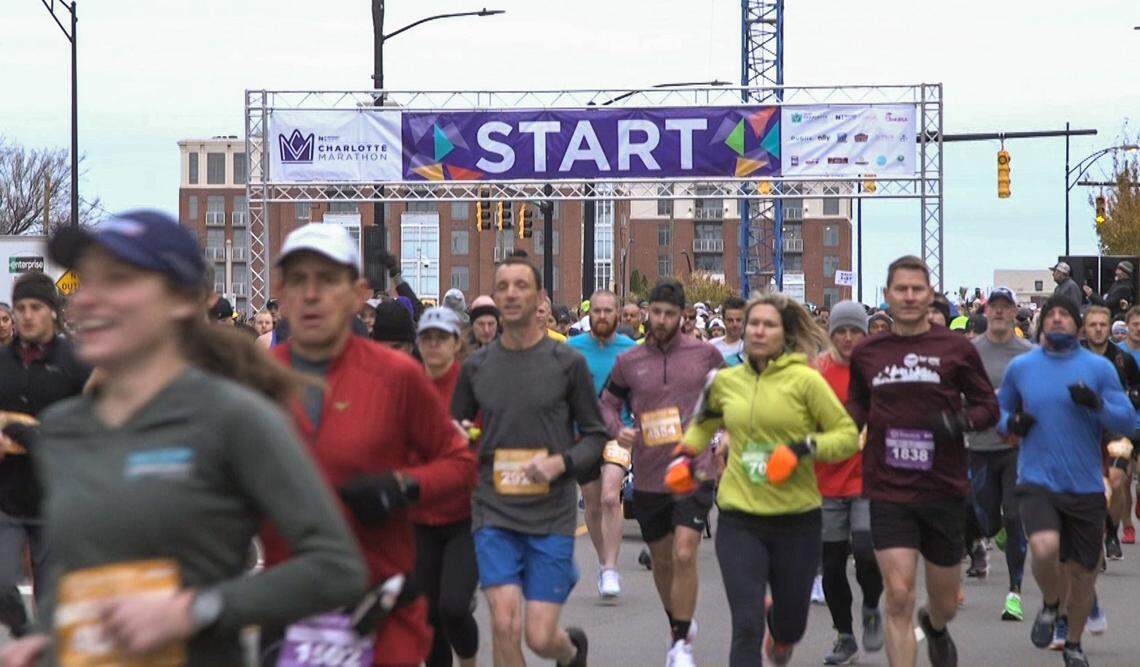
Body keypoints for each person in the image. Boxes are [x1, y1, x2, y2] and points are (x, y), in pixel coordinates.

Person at [0, 210, 367, 666]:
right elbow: (74, 578)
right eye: (84, 281)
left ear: (181, 299)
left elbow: (337, 568)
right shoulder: (65, 429)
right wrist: (47, 642)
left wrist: (195, 610)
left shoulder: (233, 418)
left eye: (116, 280)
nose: (87, 300)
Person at [262, 222, 477, 666]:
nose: (311, 294)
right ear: (282, 292)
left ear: (359, 294)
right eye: (299, 280)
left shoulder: (397, 377)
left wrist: (401, 486)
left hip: (377, 612)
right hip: (289, 610)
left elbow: (459, 463)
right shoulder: (259, 380)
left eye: (327, 281)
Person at [677, 292, 858, 666]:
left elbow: (845, 437)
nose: (758, 331)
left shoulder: (807, 381)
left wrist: (800, 449)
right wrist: (683, 457)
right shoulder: (724, 382)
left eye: (768, 325)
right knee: (745, 625)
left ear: (785, 333)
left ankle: (781, 626)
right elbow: (701, 426)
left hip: (797, 520)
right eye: (752, 323)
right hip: (739, 517)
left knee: (790, 628)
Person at [451, 254, 604, 667]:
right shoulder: (477, 366)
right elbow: (453, 427)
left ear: (539, 298)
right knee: (503, 623)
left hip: (550, 514)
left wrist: (561, 464)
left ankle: (570, 652)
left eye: (521, 286)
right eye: (503, 287)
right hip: (493, 509)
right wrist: (458, 436)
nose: (511, 293)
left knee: (538, 636)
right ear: (494, 299)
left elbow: (595, 437)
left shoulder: (567, 363)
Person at [847, 255, 1000, 667]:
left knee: (945, 600)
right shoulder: (868, 352)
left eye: (918, 289)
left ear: (930, 294)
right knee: (897, 595)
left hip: (943, 488)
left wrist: (961, 422)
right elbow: (856, 408)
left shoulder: (954, 349)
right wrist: (839, 433)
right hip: (887, 488)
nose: (910, 296)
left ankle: (934, 625)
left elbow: (989, 406)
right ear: (887, 295)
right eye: (901, 289)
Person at [998, 296, 1135, 667]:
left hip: (1086, 484)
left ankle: (1073, 642)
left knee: (1083, 573)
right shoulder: (1022, 367)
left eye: (1065, 315)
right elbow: (1001, 409)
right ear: (1042, 324)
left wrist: (1097, 405)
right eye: (1051, 315)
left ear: (1076, 325)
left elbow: (1127, 420)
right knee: (1044, 548)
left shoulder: (1098, 369)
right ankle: (1049, 604)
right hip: (1037, 478)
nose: (1057, 319)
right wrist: (1010, 424)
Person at [598, 280, 723, 667]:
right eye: (657, 312)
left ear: (683, 315)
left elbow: (728, 398)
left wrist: (724, 433)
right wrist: (617, 429)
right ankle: (678, 622)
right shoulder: (629, 361)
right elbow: (607, 402)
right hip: (650, 475)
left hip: (694, 469)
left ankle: (681, 644)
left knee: (686, 551)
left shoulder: (706, 356)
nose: (662, 320)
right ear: (647, 312)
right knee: (663, 560)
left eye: (670, 314)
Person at [0, 273, 92, 637]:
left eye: (36, 307)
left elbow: (94, 419)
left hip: (58, 497)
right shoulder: (2, 362)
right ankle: (27, 637)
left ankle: (46, 649)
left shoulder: (75, 362)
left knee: (54, 598)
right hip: (7, 496)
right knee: (2, 583)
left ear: (53, 312)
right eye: (20, 308)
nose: (26, 316)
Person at [813, 300, 885, 665]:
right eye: (840, 331)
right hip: (825, 480)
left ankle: (871, 606)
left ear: (865, 333)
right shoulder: (817, 372)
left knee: (868, 548)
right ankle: (844, 635)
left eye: (854, 331)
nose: (847, 338)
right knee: (832, 562)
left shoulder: (877, 372)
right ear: (831, 334)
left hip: (868, 480)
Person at [413, 307, 480, 667]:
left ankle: (468, 661)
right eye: (428, 338)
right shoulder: (408, 385)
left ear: (457, 343)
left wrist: (469, 440)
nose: (434, 345)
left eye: (442, 338)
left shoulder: (472, 385)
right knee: (427, 615)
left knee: (453, 606)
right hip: (418, 516)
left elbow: (489, 439)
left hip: (464, 516)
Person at [967, 286, 1033, 622]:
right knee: (987, 518)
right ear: (986, 310)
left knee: (1014, 515)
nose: (999, 312)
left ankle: (1015, 592)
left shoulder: (1027, 352)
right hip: (978, 445)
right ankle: (1001, 535)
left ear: (1013, 312)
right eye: (994, 306)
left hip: (1014, 447)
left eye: (1006, 307)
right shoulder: (971, 351)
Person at [567, 290, 637, 601]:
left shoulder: (630, 350)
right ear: (589, 315)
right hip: (583, 435)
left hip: (618, 433)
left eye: (609, 311)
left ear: (618, 315)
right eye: (597, 311)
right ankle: (602, 560)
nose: (603, 316)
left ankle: (611, 568)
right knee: (592, 504)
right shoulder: (573, 349)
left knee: (611, 496)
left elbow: (641, 393)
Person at [1080, 306, 1140, 565]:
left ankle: (1112, 531)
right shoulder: (1076, 356)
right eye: (1093, 324)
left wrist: (1133, 397)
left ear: (1110, 327)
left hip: (1116, 429)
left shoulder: (1120, 358)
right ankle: (1095, 539)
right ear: (1084, 328)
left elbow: (1135, 385)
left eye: (1103, 324)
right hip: (1085, 430)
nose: (1098, 329)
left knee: (1117, 481)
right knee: (1092, 488)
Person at [709, 296, 746, 366]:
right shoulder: (711, 346)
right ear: (723, 321)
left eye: (738, 320)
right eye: (730, 320)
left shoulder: (750, 350)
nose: (735, 324)